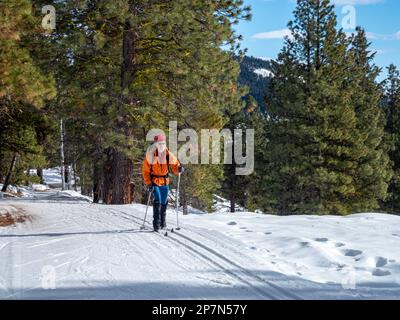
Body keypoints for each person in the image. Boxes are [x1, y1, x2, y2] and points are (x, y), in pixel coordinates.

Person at [142, 134, 183, 232]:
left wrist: (178, 169)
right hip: (154, 181)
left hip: (165, 182)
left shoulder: (168, 154)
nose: (160, 145)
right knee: (158, 200)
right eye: (158, 143)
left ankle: (162, 222)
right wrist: (148, 183)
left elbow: (175, 165)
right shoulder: (150, 155)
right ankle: (156, 223)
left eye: (162, 143)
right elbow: (145, 171)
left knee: (164, 201)